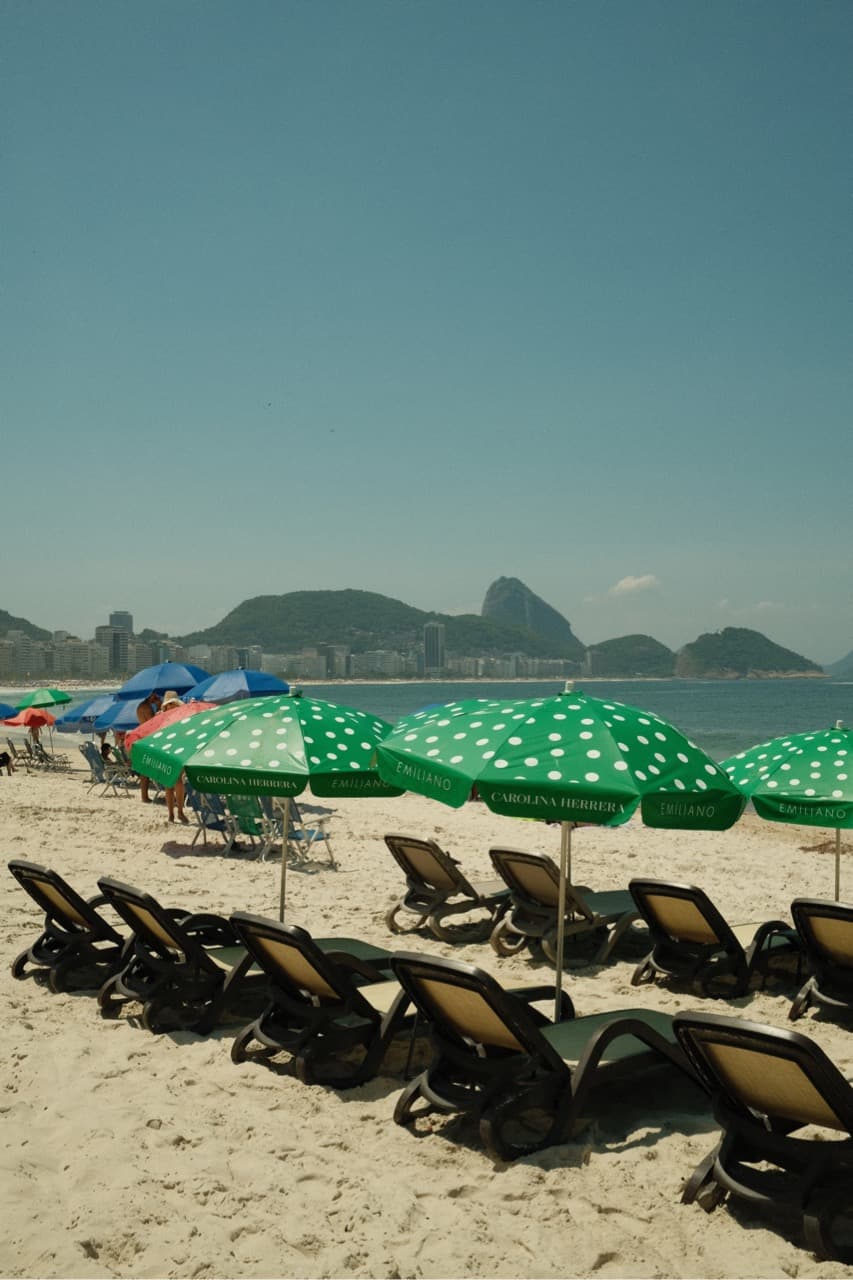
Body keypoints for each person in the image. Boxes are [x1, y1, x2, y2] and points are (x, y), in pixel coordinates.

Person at [159, 692, 188, 824]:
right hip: (166, 750)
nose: (170, 706)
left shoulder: (183, 716)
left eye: (172, 703)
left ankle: (180, 811)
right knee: (169, 784)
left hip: (179, 749)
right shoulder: (161, 717)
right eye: (168, 704)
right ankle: (171, 814)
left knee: (178, 781)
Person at [135, 693, 162, 802]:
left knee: (144, 770)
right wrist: (159, 706)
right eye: (155, 696)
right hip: (148, 738)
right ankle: (144, 796)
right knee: (146, 770)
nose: (157, 698)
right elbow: (153, 723)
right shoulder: (147, 708)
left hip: (143, 737)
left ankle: (144, 796)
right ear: (151, 696)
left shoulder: (140, 706)